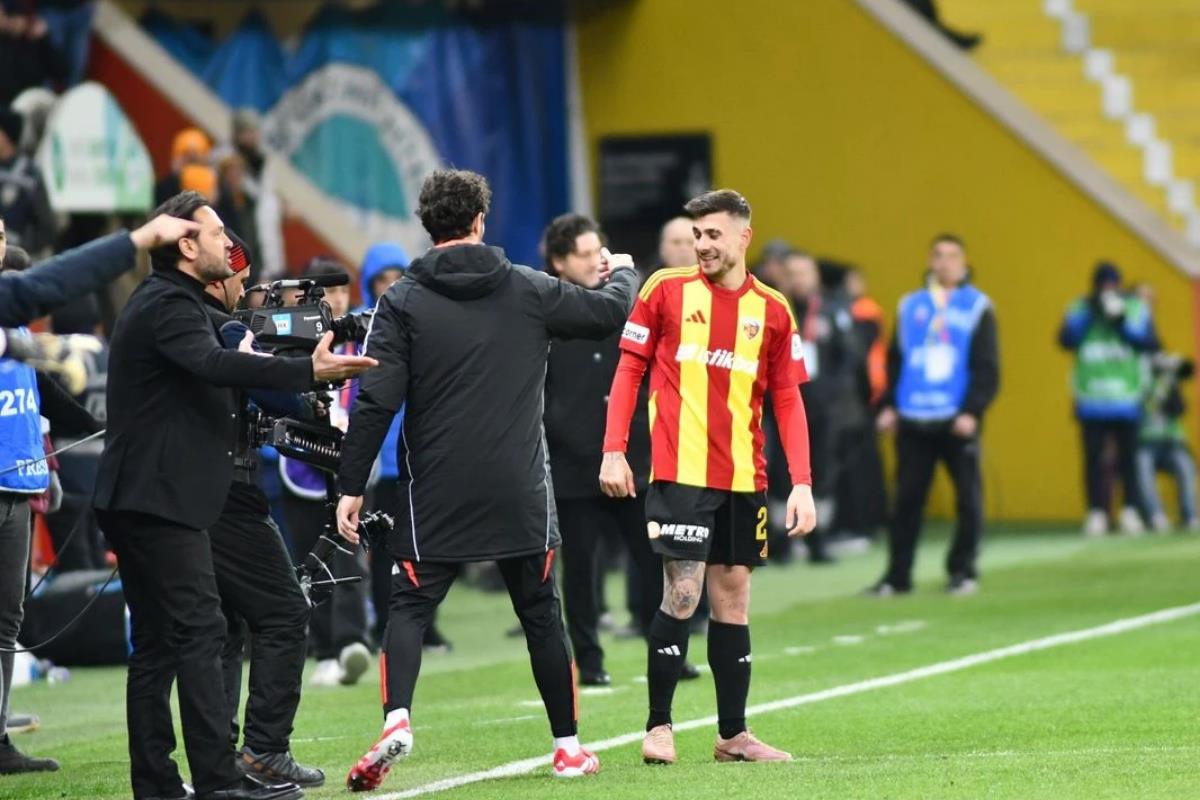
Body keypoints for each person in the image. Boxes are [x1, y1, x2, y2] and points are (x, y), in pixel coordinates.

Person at [335, 169, 637, 789]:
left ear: (428, 226)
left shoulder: (402, 301)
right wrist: (625, 271)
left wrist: (351, 484)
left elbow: (375, 401)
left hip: (434, 490)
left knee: (410, 606)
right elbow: (609, 312)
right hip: (518, 487)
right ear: (479, 220)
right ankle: (567, 748)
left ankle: (397, 719)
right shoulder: (528, 287)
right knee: (540, 612)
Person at [93, 191, 374, 800]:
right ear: (186, 245)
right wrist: (308, 371)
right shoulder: (170, 305)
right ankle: (221, 780)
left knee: (161, 645)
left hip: (147, 496)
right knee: (200, 632)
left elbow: (220, 363)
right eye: (218, 232)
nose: (229, 243)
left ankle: (162, 785)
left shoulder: (171, 303)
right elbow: (217, 363)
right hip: (161, 501)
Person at [601, 188, 817, 765]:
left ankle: (732, 736)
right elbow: (628, 371)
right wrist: (614, 451)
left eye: (713, 234)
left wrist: (801, 483)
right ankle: (659, 727)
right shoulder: (664, 290)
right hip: (681, 474)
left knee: (733, 599)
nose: (702, 245)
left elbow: (788, 400)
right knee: (683, 592)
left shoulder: (773, 309)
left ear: (744, 237)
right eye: (697, 235)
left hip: (746, 477)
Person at [542, 212, 698, 686]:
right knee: (581, 570)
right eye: (584, 254)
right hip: (573, 465)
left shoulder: (629, 303)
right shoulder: (548, 312)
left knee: (654, 560)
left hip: (633, 458)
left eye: (598, 251)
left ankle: (666, 653)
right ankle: (589, 662)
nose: (595, 261)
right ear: (559, 262)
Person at [201, 237, 324, 788]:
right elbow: (279, 397)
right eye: (241, 281)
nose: (244, 291)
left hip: (192, 494)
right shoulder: (223, 329)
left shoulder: (174, 318)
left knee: (224, 628)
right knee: (285, 612)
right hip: (228, 492)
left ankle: (219, 756)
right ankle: (265, 750)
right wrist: (308, 376)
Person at [0, 318, 102, 777]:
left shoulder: (17, 330)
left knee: (7, 619)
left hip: (19, 488)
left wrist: (92, 429)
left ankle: (0, 740)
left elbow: (39, 397)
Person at [871, 234, 999, 597]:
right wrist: (888, 405)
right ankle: (897, 576)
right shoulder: (910, 305)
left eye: (952, 255)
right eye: (939, 255)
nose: (945, 262)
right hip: (913, 417)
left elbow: (987, 366)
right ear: (930, 261)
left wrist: (972, 410)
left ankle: (962, 570)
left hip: (956, 420)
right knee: (906, 501)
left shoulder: (976, 306)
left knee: (968, 500)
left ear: (964, 262)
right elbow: (895, 360)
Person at [279, 259, 372, 688]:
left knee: (350, 549)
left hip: (350, 463)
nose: (335, 300)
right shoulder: (290, 344)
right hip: (302, 465)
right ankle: (324, 649)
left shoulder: (361, 341)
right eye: (325, 292)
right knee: (309, 559)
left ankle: (352, 641)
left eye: (340, 291)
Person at [1058, 261, 1158, 536]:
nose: (1107, 290)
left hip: (1127, 399)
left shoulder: (1135, 307)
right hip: (1091, 399)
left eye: (1112, 284)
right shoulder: (1080, 307)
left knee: (1129, 459)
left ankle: (1130, 510)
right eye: (1103, 284)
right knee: (1093, 459)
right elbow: (1066, 340)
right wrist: (1092, 314)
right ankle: (1097, 512)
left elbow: (1150, 343)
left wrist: (1121, 321)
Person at [779, 250, 857, 563]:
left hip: (822, 407)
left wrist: (833, 394)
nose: (798, 279)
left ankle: (817, 538)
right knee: (778, 472)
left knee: (822, 470)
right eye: (792, 273)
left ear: (815, 276)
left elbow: (848, 358)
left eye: (804, 273)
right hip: (781, 406)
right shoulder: (774, 309)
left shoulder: (832, 311)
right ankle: (780, 540)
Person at [832, 267, 888, 542]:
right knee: (865, 462)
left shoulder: (861, 312)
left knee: (860, 463)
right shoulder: (858, 311)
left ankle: (863, 522)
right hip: (867, 395)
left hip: (865, 396)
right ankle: (869, 521)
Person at [1136, 352, 1198, 532]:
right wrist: (1161, 384)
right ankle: (1156, 515)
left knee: (1186, 468)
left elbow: (1179, 408)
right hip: (1145, 443)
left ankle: (1190, 516)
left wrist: (1170, 376)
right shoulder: (1141, 382)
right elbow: (1147, 407)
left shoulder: (1170, 383)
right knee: (1142, 469)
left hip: (1172, 443)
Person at [0, 108, 55, 255]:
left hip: (14, 258)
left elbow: (46, 227)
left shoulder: (30, 174)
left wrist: (22, 247)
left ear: (7, 136)